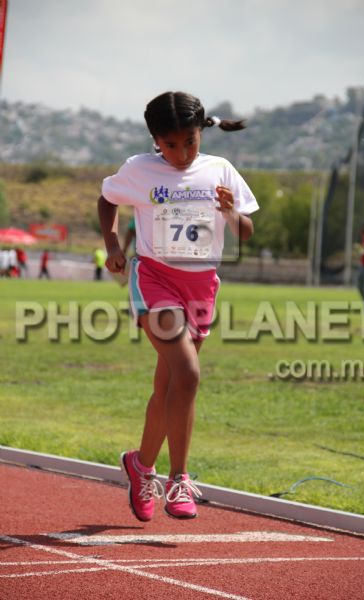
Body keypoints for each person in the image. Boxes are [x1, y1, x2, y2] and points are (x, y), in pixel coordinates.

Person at [98, 91, 259, 522]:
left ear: (200, 133)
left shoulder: (220, 169)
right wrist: (112, 244)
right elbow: (107, 199)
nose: (182, 153)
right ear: (155, 140)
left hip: (201, 287)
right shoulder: (139, 169)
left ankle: (140, 465)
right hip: (155, 279)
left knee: (169, 387)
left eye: (190, 142)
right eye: (171, 145)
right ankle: (179, 479)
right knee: (187, 375)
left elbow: (246, 231)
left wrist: (230, 213)